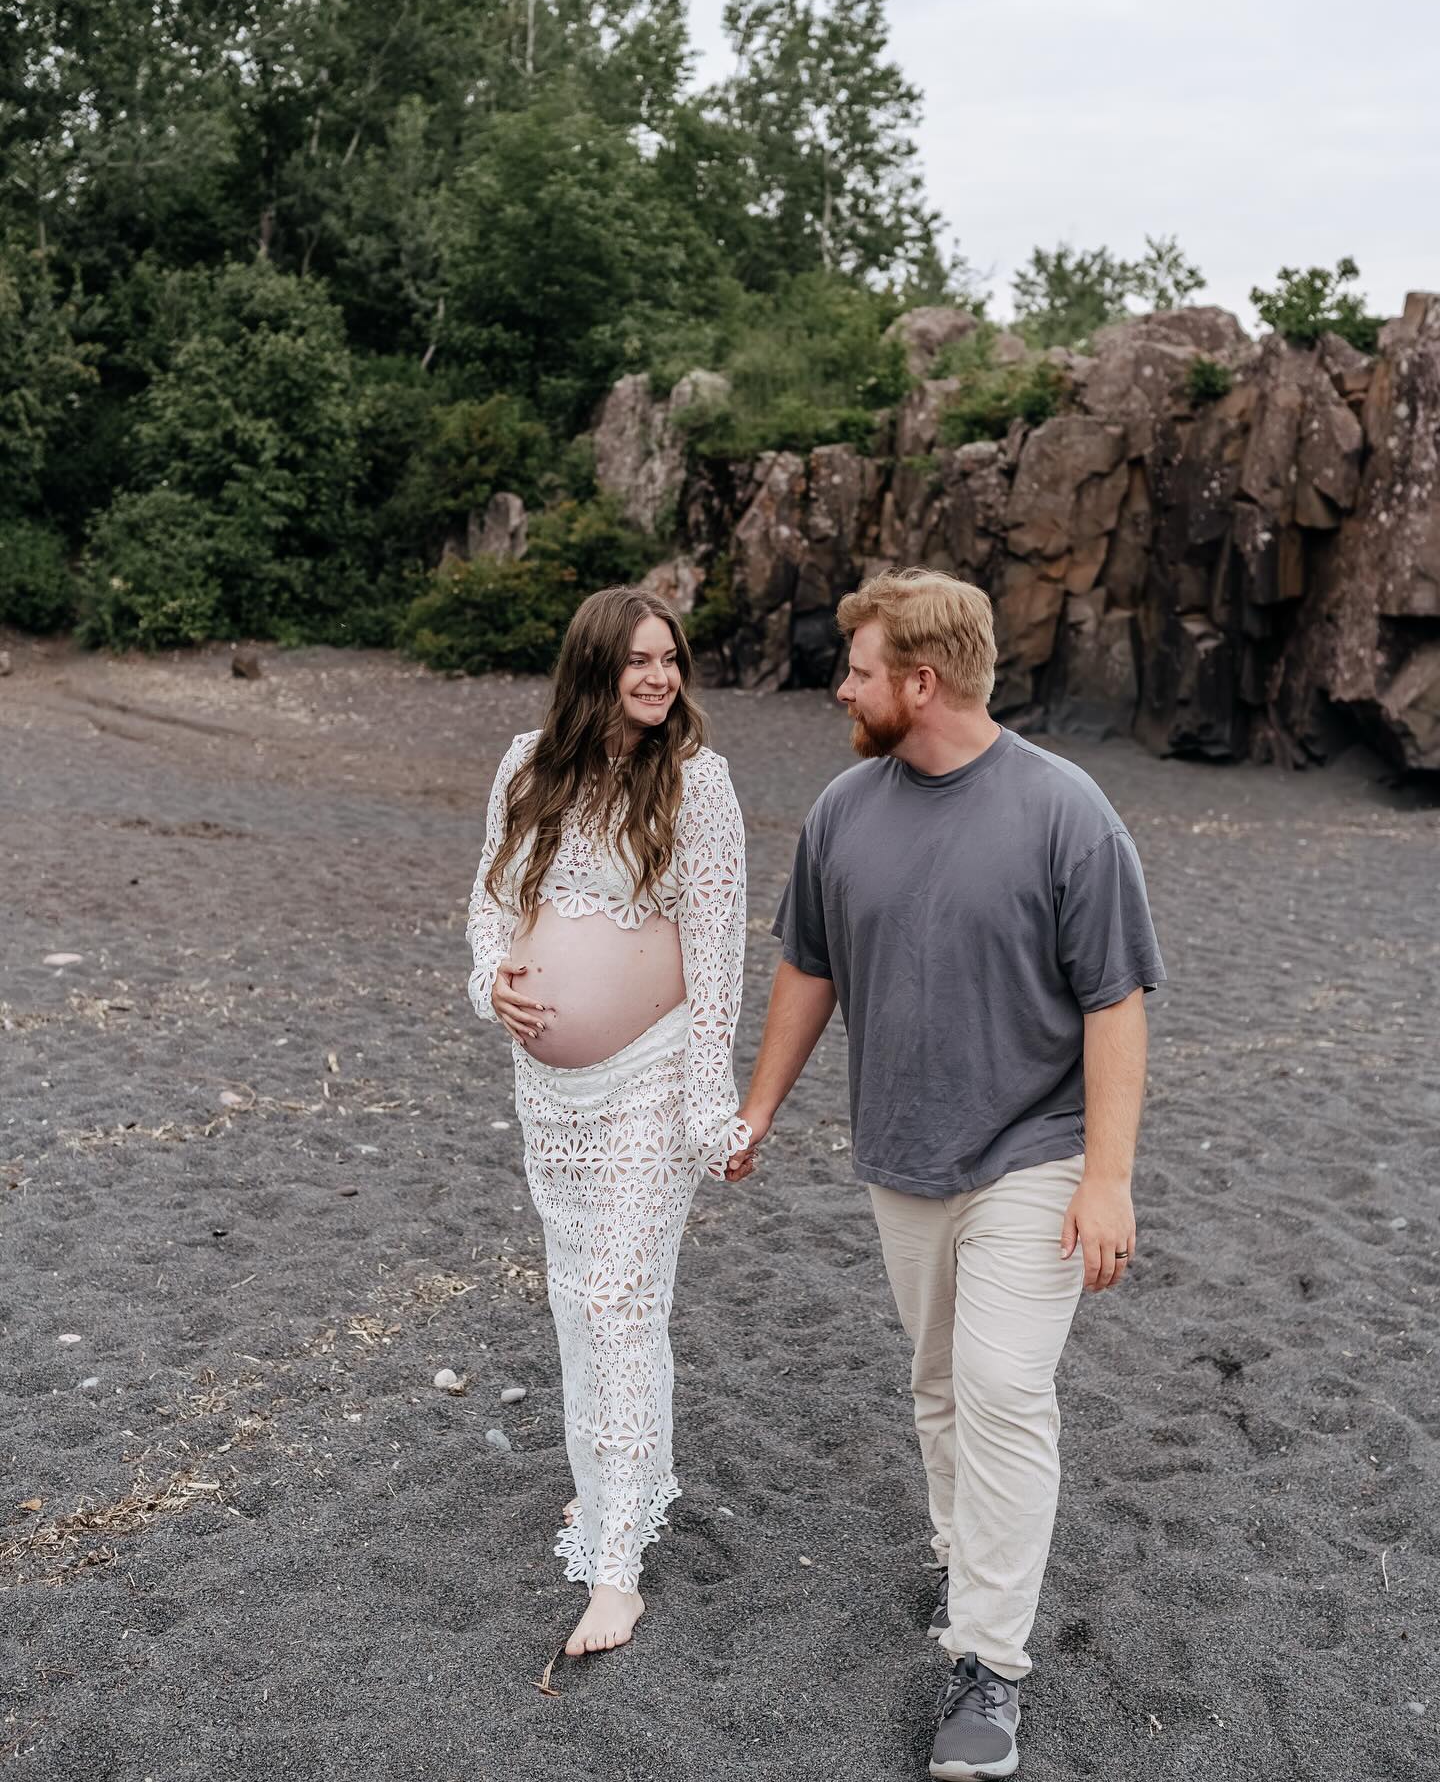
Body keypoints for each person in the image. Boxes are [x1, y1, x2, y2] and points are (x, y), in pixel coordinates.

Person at [727, 568, 1165, 1779]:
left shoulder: (1066, 810)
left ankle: (990, 1665)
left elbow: (1115, 1002)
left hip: (1036, 1149)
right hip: (901, 1154)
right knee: (935, 1384)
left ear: (920, 683)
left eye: (858, 670)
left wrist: (1111, 1179)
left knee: (1001, 1387)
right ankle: (965, 1554)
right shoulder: (841, 811)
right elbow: (809, 968)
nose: (841, 689)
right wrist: (759, 1107)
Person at [466, 587, 750, 1658]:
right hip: (550, 1093)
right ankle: (610, 1485)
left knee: (625, 1298)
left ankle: (619, 1569)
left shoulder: (698, 783)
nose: (659, 677)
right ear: (594, 668)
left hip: (651, 1078)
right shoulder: (526, 765)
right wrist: (493, 984)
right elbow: (491, 905)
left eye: (670, 658)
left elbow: (717, 951)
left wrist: (709, 1104)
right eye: (637, 660)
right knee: (579, 1297)